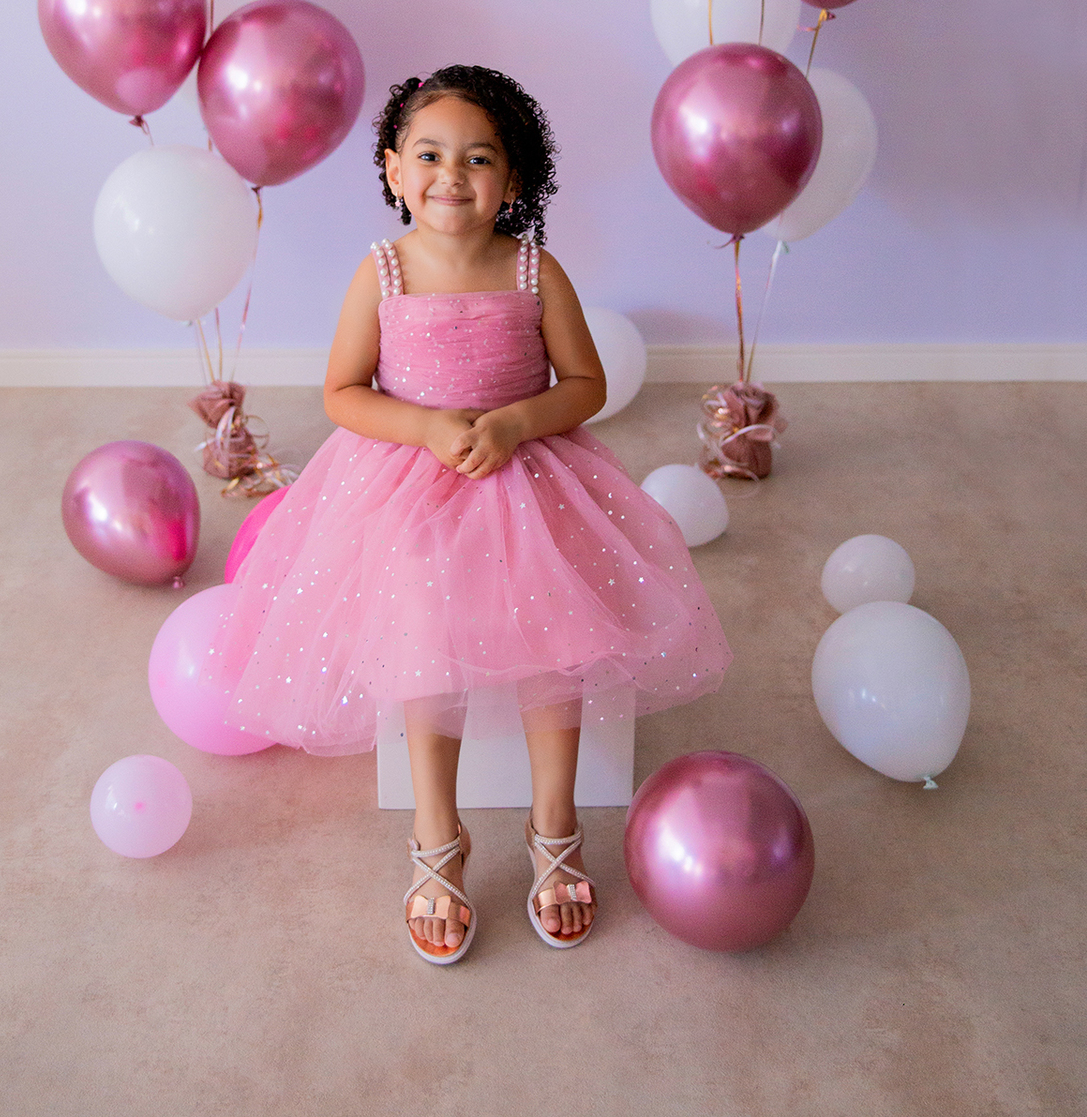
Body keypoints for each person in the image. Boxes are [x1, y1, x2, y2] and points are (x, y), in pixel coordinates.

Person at [209, 65, 731, 964]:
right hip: (408, 476)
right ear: (394, 171)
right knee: (418, 617)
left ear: (514, 182)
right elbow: (341, 392)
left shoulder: (534, 268)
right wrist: (422, 425)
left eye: (480, 158)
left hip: (529, 472)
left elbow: (585, 384)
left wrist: (518, 421)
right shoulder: (382, 272)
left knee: (556, 626)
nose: (454, 175)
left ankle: (554, 823)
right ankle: (437, 832)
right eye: (431, 155)